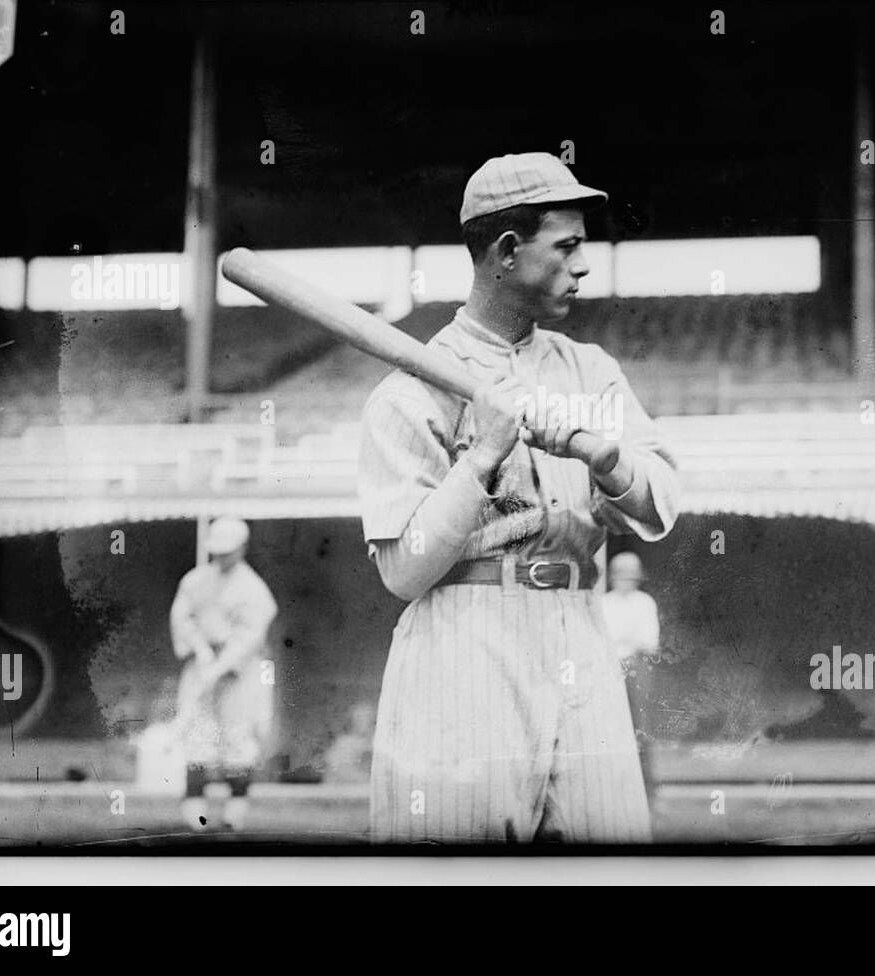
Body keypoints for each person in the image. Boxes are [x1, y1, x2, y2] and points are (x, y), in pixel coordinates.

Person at [358, 152, 680, 843]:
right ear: (507, 251)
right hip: (465, 640)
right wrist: (481, 457)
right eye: (566, 247)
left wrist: (604, 454)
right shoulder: (409, 393)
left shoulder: (592, 373)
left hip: (578, 626)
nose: (583, 264)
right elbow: (404, 571)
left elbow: (660, 507)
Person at [170, 517, 278, 832]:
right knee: (198, 734)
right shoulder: (195, 581)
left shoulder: (254, 589)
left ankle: (235, 811)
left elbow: (249, 637)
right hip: (202, 663)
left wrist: (220, 666)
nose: (221, 557)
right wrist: (202, 652)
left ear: (242, 549)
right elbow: (183, 619)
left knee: (238, 735)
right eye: (216, 551)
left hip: (239, 670)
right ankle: (195, 809)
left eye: (227, 551)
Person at [602, 551, 662, 799]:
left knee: (639, 727)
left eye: (630, 576)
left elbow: (649, 642)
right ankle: (613, 789)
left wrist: (623, 639)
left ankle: (647, 790)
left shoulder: (644, 602)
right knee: (607, 728)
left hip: (635, 668)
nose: (625, 581)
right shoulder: (603, 602)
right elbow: (602, 639)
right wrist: (624, 638)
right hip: (608, 668)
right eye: (620, 576)